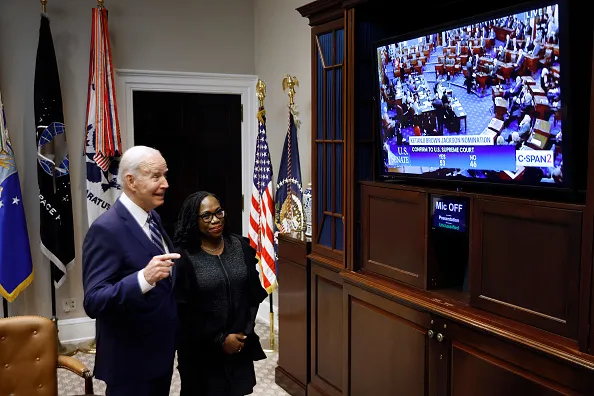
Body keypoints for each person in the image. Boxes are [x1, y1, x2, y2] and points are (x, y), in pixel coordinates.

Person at [82, 145, 179, 396]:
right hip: (130, 363)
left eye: (165, 175)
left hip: (159, 355)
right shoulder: (106, 229)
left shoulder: (152, 217)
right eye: (156, 176)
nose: (165, 183)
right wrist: (143, 279)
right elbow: (94, 301)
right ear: (131, 181)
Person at [173, 191, 268, 396]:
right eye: (206, 216)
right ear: (193, 220)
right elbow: (183, 314)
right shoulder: (183, 257)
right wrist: (220, 340)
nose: (215, 220)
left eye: (219, 212)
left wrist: (244, 332)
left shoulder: (239, 246)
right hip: (201, 352)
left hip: (238, 346)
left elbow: (253, 295)